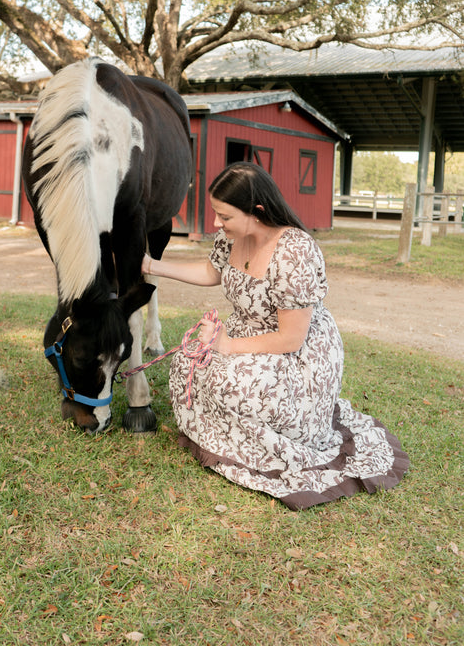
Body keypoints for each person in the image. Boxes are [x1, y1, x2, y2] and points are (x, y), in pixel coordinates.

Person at [141, 162, 409, 510]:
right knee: (187, 363)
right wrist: (150, 265)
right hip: (246, 335)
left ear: (258, 211)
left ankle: (267, 438)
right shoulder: (232, 237)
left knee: (234, 384)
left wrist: (226, 346)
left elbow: (290, 339)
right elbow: (212, 272)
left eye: (225, 216)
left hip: (296, 355)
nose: (216, 224)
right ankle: (225, 438)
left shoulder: (294, 251)